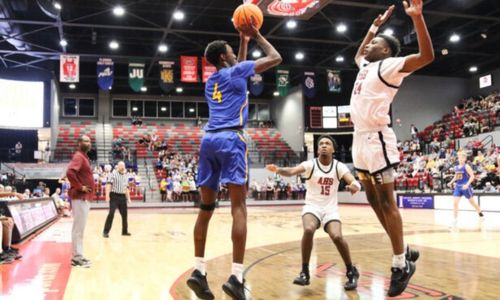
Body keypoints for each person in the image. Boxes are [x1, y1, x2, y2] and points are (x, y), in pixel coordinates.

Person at [186, 19, 282, 300]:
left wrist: (242, 42)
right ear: (222, 57)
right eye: (229, 50)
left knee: (206, 208)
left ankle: (198, 271)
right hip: (231, 140)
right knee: (238, 207)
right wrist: (257, 35)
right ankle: (236, 277)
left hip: (208, 142)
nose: (233, 54)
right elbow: (276, 58)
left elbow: (238, 67)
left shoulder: (211, 81)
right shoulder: (236, 72)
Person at [350, 0, 434, 297]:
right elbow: (358, 53)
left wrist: (417, 18)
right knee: (373, 202)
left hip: (377, 140)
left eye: (375, 42)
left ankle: (400, 264)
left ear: (385, 50)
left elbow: (426, 56)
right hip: (359, 140)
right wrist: (374, 26)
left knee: (387, 203)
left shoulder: (389, 66)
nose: (369, 45)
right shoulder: (367, 65)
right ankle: (405, 249)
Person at [266, 136, 361, 290]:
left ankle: (351, 271)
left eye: (327, 143)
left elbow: (353, 181)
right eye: (321, 144)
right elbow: (291, 171)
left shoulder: (339, 166)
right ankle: (304, 272)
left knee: (337, 236)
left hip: (330, 209)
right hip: (312, 207)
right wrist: (277, 169)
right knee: (309, 229)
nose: (324, 145)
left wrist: (354, 186)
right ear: (317, 149)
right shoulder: (310, 164)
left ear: (333, 150)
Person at [66, 135, 94, 268]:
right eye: (85, 141)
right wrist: (80, 186)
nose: (88, 143)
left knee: (79, 229)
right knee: (78, 229)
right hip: (80, 197)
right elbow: (70, 172)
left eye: (89, 141)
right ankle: (77, 258)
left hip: (83, 198)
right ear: (79, 143)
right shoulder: (79, 156)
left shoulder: (83, 157)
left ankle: (78, 255)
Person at [447, 152, 484, 231]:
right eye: (459, 157)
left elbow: (472, 176)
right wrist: (451, 182)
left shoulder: (466, 166)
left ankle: (480, 213)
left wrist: (467, 184)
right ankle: (454, 221)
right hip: (458, 187)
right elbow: (456, 176)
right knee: (455, 203)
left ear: (465, 159)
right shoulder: (456, 167)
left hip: (466, 187)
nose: (460, 159)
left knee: (472, 202)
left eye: (462, 158)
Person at [103, 161, 131, 238]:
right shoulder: (113, 174)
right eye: (121, 166)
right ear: (118, 167)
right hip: (114, 196)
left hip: (122, 197)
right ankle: (105, 232)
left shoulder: (126, 176)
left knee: (124, 215)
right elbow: (108, 185)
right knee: (111, 213)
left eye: (123, 166)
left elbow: (126, 188)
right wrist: (107, 196)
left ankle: (124, 231)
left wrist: (128, 198)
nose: (123, 167)